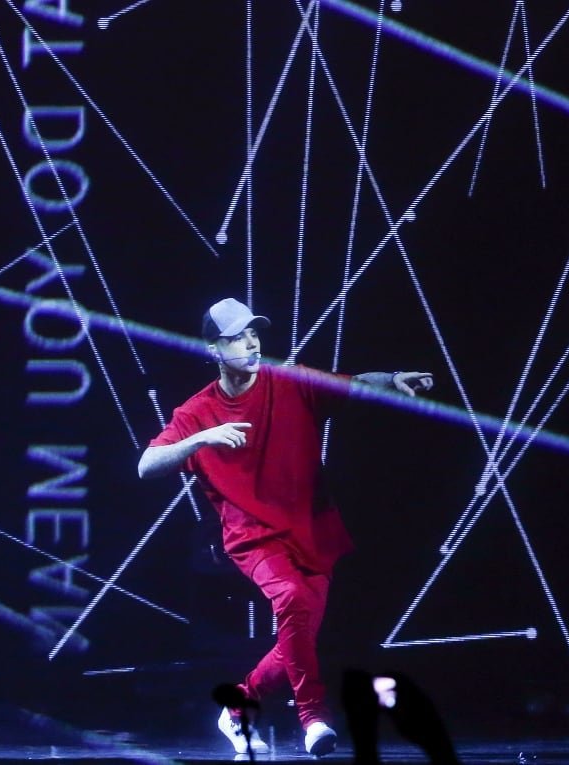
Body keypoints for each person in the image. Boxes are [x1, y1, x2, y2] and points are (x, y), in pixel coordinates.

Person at [138, 298, 433, 758]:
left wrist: (393, 381)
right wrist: (199, 439)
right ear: (214, 349)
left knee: (298, 639)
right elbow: (146, 465)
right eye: (237, 336)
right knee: (292, 601)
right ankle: (313, 717)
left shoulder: (289, 381)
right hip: (254, 539)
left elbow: (354, 385)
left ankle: (237, 707)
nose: (250, 343)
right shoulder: (197, 412)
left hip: (312, 531)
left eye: (253, 332)